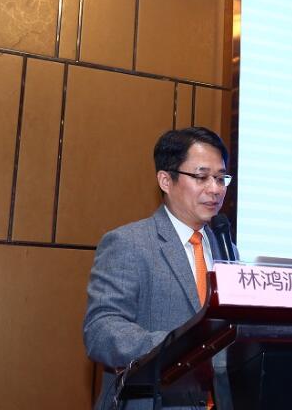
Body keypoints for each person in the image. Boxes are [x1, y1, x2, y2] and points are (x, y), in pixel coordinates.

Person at [83, 127, 237, 410]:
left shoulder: (227, 250)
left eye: (220, 178)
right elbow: (101, 331)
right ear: (166, 180)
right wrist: (185, 350)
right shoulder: (129, 243)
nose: (215, 189)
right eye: (201, 177)